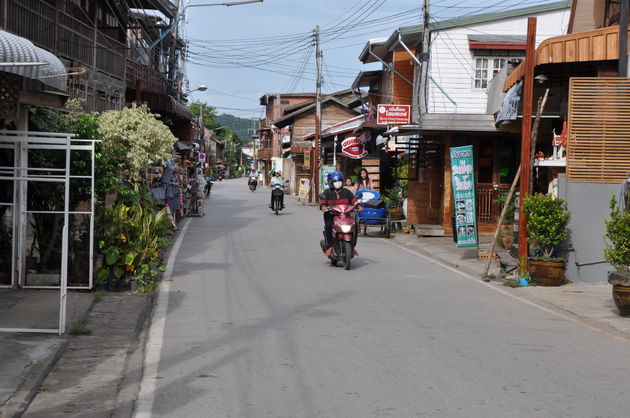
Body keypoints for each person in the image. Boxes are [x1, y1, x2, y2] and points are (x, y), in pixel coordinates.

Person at [320, 171, 360, 256]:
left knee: (355, 225)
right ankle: (330, 247)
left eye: (339, 182)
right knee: (328, 226)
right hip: (331, 215)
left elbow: (353, 200)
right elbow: (323, 201)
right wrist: (323, 206)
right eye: (335, 182)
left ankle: (352, 247)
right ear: (331, 183)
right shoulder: (327, 192)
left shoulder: (346, 191)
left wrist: (358, 205)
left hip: (345, 216)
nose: (338, 184)